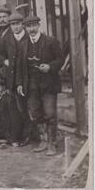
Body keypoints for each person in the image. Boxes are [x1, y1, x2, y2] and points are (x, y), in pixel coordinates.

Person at [16, 15, 64, 156]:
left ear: (38, 26)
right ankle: (43, 140)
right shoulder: (23, 44)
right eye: (28, 26)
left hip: (48, 84)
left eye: (34, 26)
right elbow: (19, 66)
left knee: (50, 113)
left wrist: (49, 67)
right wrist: (19, 83)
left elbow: (60, 59)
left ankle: (52, 143)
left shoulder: (50, 41)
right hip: (31, 86)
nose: (31, 29)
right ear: (26, 28)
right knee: (35, 114)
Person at [0, 12, 31, 145]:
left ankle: (34, 134)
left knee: (31, 107)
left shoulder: (29, 36)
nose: (15, 27)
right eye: (13, 24)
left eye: (18, 24)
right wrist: (4, 61)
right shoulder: (7, 38)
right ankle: (23, 136)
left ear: (23, 25)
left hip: (29, 79)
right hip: (13, 80)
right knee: (18, 108)